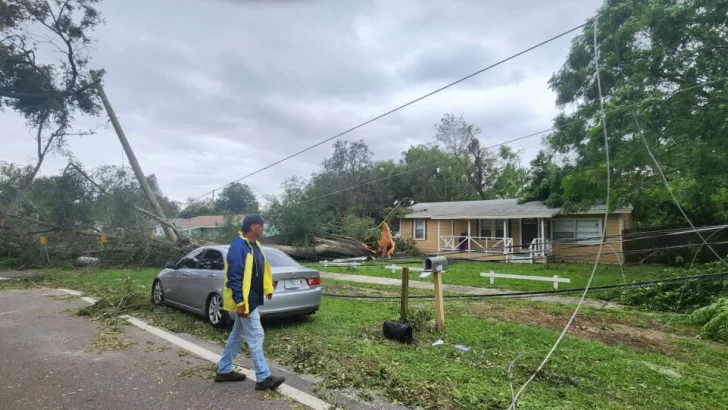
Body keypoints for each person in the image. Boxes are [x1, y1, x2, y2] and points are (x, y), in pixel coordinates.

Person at [214, 214, 285, 391]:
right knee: (256, 335)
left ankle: (224, 370)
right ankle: (263, 377)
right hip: (245, 301)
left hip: (252, 298)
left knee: (237, 335)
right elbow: (234, 277)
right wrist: (240, 302)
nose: (264, 228)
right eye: (262, 225)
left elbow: (260, 270)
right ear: (254, 227)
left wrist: (267, 288)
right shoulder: (238, 247)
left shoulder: (254, 245)